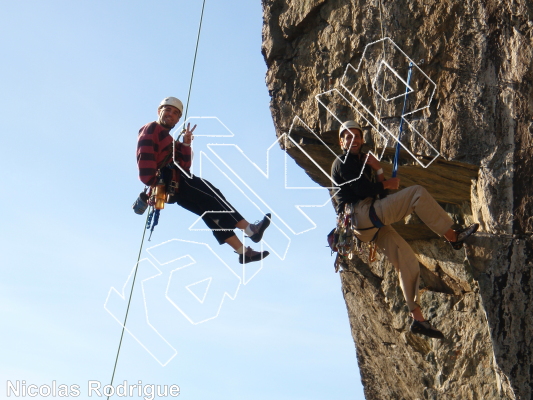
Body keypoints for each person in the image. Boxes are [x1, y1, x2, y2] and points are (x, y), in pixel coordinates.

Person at [331, 120, 478, 339]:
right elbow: (363, 189)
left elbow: (381, 197)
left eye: (357, 136)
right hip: (360, 215)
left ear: (362, 140)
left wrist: (378, 169)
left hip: (368, 223)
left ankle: (417, 319)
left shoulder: (361, 163)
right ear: (341, 141)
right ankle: (453, 236)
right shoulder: (342, 162)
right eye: (348, 137)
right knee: (416, 193)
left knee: (407, 260)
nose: (353, 140)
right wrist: (384, 183)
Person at [136, 96, 270, 264]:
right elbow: (145, 154)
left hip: (174, 183)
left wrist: (185, 144)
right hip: (174, 180)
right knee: (213, 195)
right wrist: (152, 180)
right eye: (167, 109)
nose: (171, 114)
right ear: (159, 111)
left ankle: (243, 252)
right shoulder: (152, 129)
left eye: (176, 113)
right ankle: (251, 230)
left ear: (178, 120)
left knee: (211, 213)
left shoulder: (170, 140)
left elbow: (185, 165)